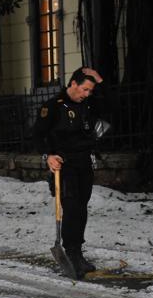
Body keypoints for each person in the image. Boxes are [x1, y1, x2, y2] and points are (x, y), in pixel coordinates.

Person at [33, 67, 104, 278]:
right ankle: (71, 254)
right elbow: (37, 135)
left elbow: (111, 103)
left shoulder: (87, 104)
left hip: (84, 164)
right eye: (84, 89)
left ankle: (78, 253)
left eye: (90, 91)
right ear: (73, 84)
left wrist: (98, 78)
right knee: (72, 208)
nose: (86, 94)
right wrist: (48, 156)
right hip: (64, 167)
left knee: (81, 209)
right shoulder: (53, 106)